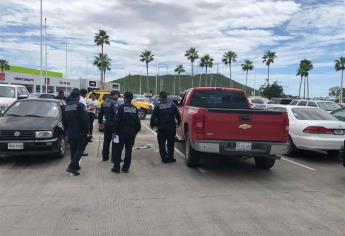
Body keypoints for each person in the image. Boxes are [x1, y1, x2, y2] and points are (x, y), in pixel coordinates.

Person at [112, 91, 141, 173]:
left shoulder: (121, 107)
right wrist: (135, 132)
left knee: (118, 150)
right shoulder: (134, 108)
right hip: (131, 132)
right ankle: (126, 168)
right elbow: (138, 123)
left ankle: (116, 168)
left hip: (121, 132)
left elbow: (116, 121)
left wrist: (114, 131)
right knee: (129, 151)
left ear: (125, 97)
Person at [63, 89, 89, 176]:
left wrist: (66, 131)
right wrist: (87, 131)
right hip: (80, 131)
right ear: (78, 97)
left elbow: (64, 121)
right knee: (80, 149)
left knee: (73, 149)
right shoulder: (80, 105)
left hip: (70, 131)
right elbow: (85, 119)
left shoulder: (66, 106)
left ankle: (76, 166)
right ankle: (72, 166)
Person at [150, 91, 181, 163]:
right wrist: (179, 122)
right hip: (171, 128)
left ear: (160, 97)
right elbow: (178, 115)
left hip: (161, 128)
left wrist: (152, 125)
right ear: (166, 97)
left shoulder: (158, 106)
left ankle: (164, 158)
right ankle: (170, 158)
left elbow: (153, 117)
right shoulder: (173, 105)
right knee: (170, 143)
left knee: (162, 144)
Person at [98, 90, 120, 162]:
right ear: (114, 95)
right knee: (115, 142)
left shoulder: (104, 102)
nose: (118, 97)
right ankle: (114, 158)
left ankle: (105, 156)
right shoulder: (115, 103)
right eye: (117, 95)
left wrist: (100, 123)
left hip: (106, 124)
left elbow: (100, 113)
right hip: (114, 125)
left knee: (106, 141)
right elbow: (117, 115)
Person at [79, 89, 89, 156]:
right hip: (82, 120)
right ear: (85, 94)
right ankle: (80, 151)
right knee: (83, 138)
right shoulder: (82, 100)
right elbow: (84, 111)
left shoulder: (80, 99)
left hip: (79, 121)